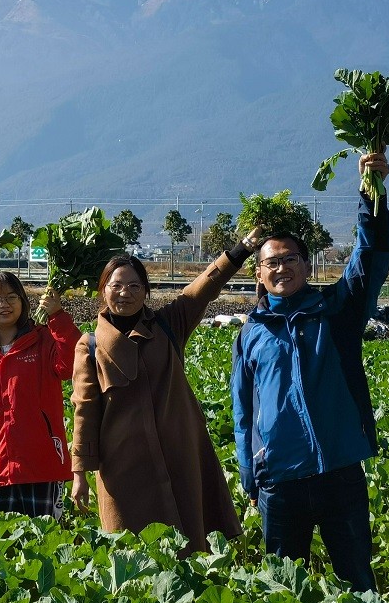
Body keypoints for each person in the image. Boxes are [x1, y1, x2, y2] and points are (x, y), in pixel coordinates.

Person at [231, 153, 389, 592]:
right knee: (286, 592)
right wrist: (251, 475)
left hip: (338, 469)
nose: (281, 268)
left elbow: (368, 259)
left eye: (290, 258)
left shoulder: (336, 312)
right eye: (271, 262)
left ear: (307, 264)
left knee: (357, 578)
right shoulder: (250, 335)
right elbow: (243, 413)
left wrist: (370, 192)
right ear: (259, 274)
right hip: (279, 480)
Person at [71, 229, 261, 554]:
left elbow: (204, 287)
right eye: (116, 286)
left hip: (180, 457)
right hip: (124, 470)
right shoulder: (90, 347)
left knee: (190, 548)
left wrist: (240, 250)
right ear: (103, 291)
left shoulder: (168, 323)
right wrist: (79, 474)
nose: (125, 293)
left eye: (134, 286)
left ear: (146, 290)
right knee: (134, 556)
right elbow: (84, 410)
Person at [0, 272, 81, 517]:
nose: (4, 304)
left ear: (23, 302)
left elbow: (72, 364)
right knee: (2, 549)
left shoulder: (44, 340)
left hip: (43, 466)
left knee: (46, 545)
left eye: (11, 297)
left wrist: (57, 316)